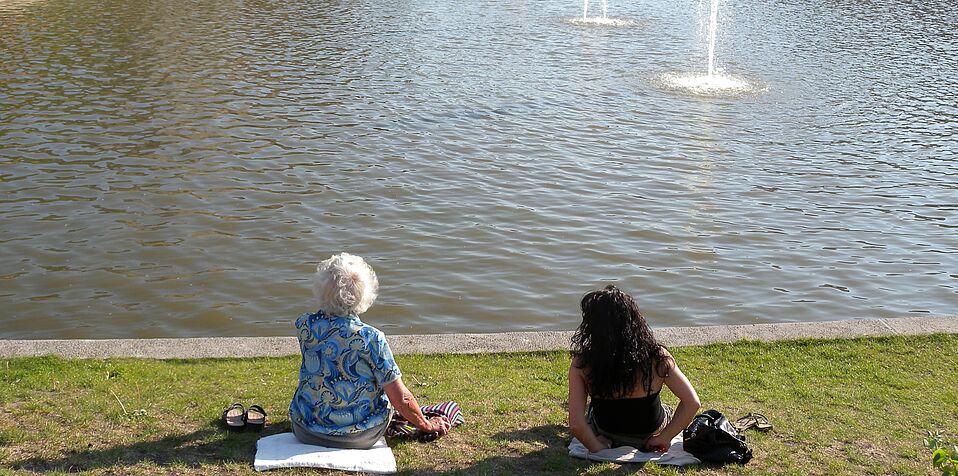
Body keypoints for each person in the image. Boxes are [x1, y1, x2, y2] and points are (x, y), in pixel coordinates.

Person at [288, 253, 450, 449]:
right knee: (391, 401)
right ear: (363, 294)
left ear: (321, 289)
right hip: (357, 435)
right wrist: (427, 425)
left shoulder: (304, 325)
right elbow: (401, 399)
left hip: (306, 429)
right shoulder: (371, 338)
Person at [567, 284, 701, 453]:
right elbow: (692, 403)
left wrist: (596, 446)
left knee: (590, 412)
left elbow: (576, 424)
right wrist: (664, 437)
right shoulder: (658, 357)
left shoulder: (583, 363)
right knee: (665, 409)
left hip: (606, 433)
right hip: (651, 433)